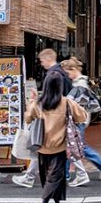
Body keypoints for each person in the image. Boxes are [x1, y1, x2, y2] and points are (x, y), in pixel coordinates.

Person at [23, 69, 88, 203]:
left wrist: (32, 101)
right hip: (59, 147)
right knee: (54, 179)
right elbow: (82, 116)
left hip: (41, 146)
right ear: (59, 86)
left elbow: (27, 118)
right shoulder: (66, 102)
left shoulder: (39, 103)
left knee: (49, 178)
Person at [13, 48, 68, 188]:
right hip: (57, 120)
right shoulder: (61, 72)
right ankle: (32, 176)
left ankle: (35, 178)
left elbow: (52, 98)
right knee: (44, 149)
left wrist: (35, 101)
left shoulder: (54, 74)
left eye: (42, 60)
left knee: (43, 148)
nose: (41, 63)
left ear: (48, 59)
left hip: (50, 120)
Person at [61, 58, 101, 183]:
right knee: (72, 146)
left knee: (77, 146)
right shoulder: (79, 83)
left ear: (73, 70)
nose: (67, 76)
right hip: (79, 120)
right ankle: (65, 173)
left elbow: (74, 104)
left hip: (79, 121)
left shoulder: (80, 85)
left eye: (68, 73)